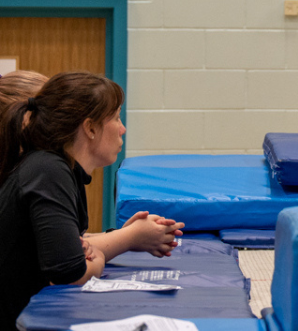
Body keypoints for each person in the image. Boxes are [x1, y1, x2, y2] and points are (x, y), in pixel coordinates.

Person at [0, 71, 185, 328]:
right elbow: (69, 272)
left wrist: (115, 239)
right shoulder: (48, 170)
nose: (123, 129)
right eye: (116, 118)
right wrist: (97, 258)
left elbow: (62, 249)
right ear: (89, 128)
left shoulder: (58, 169)